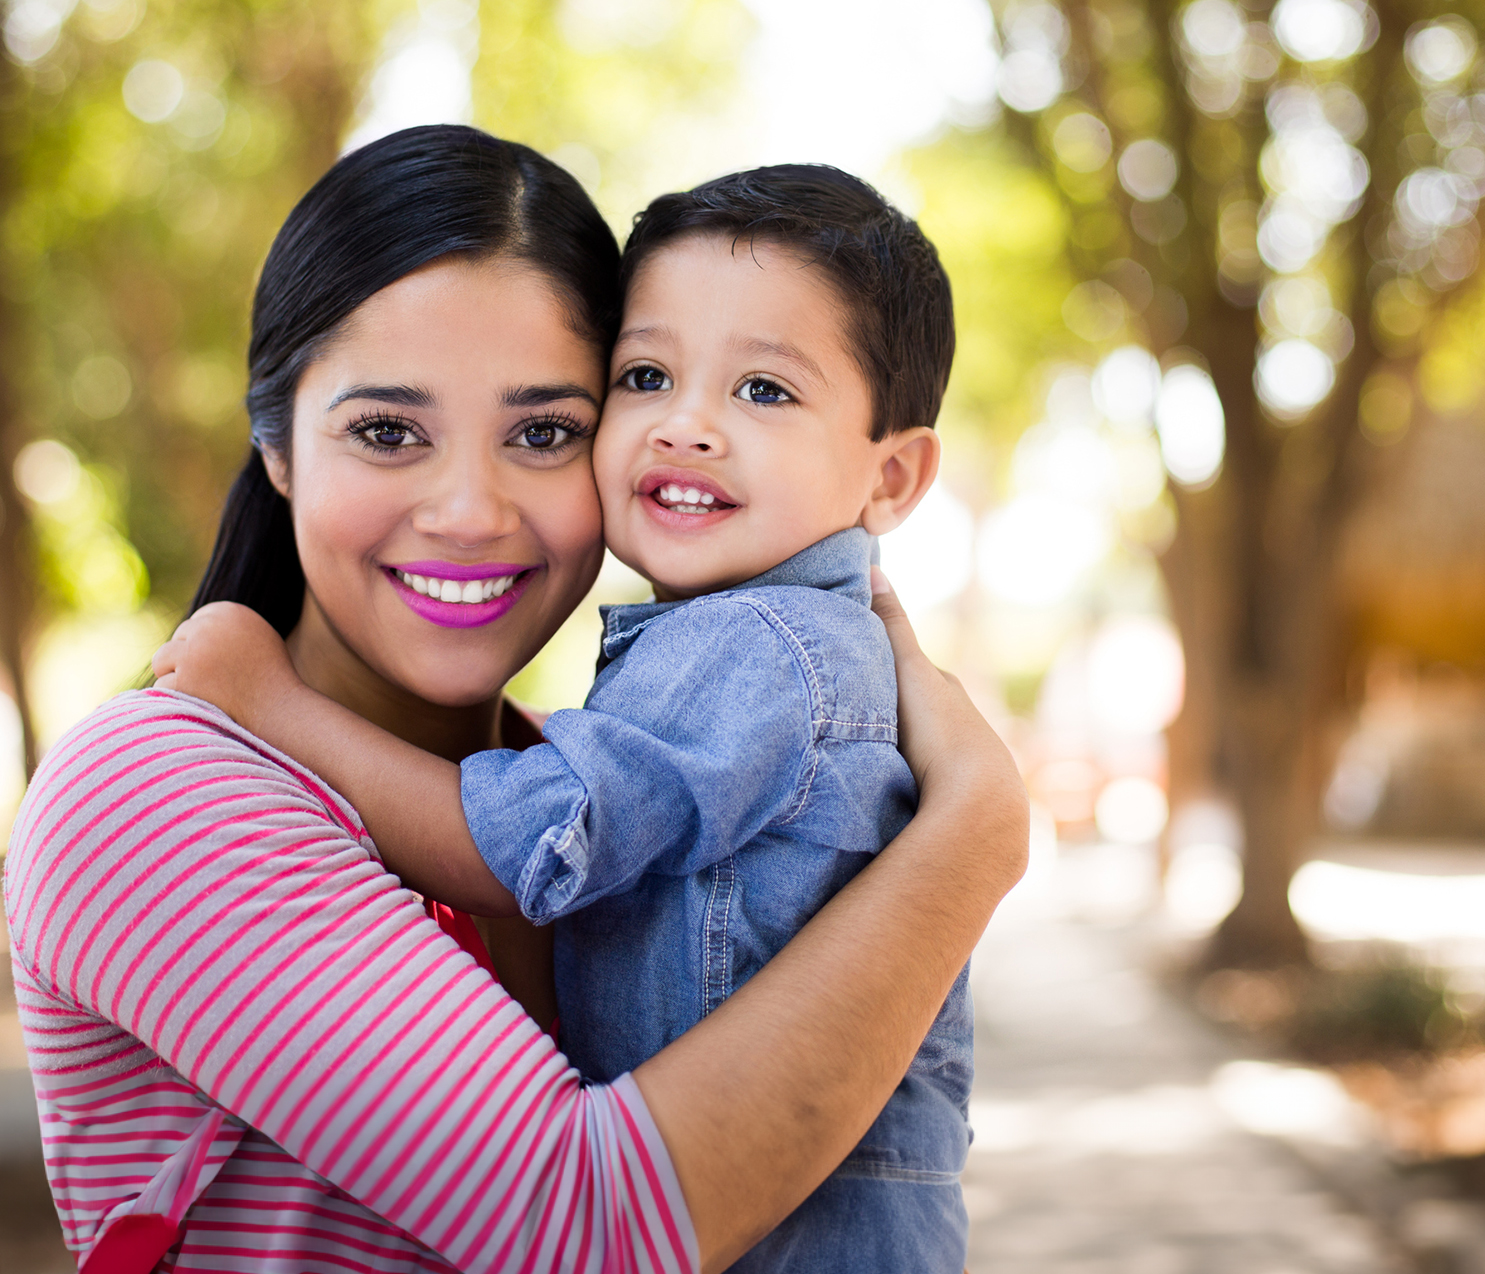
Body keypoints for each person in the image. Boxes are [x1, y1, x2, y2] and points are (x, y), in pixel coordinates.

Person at [2, 125, 1027, 1274]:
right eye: (388, 431)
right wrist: (969, 842)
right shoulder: (154, 787)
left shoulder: (599, 792)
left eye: (543, 432)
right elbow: (586, 1227)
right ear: (279, 445)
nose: (469, 511)